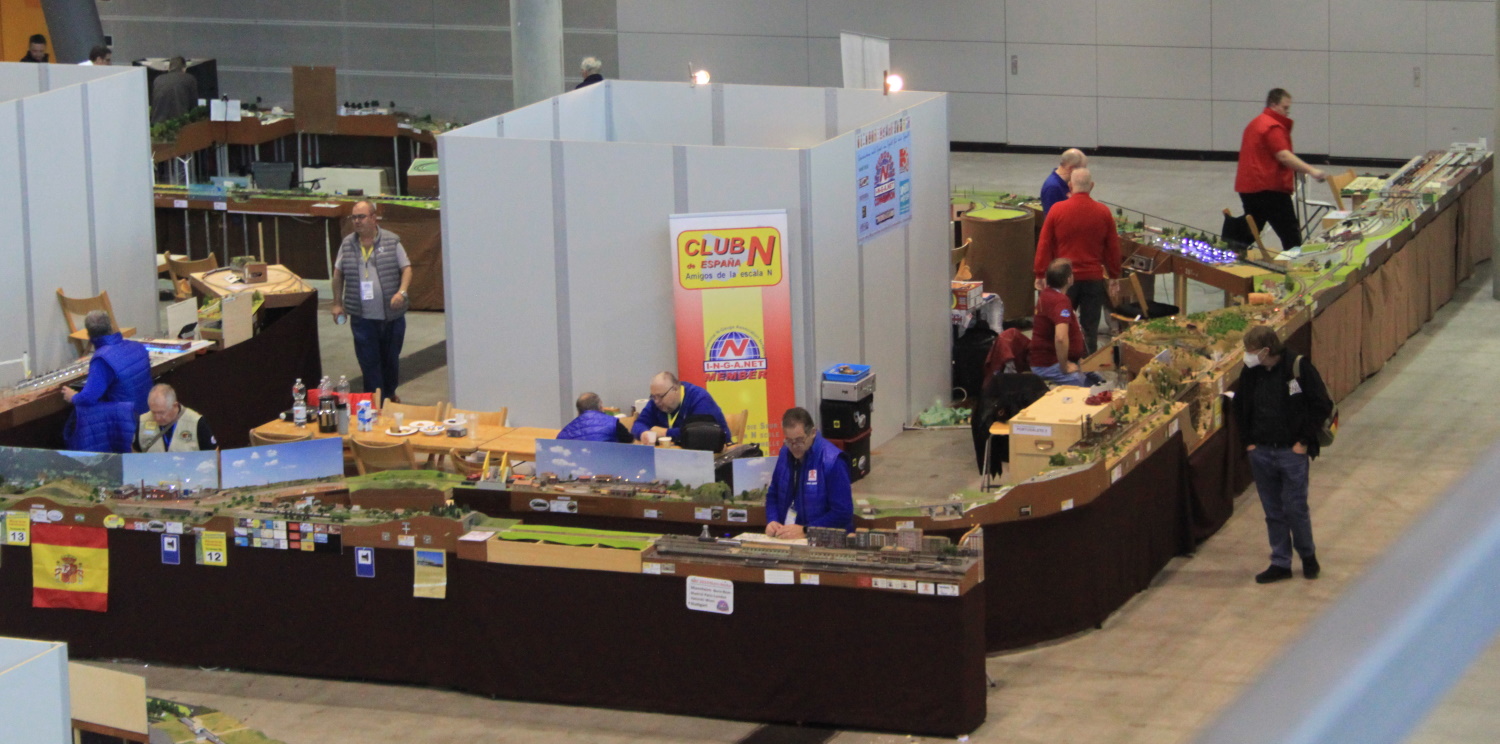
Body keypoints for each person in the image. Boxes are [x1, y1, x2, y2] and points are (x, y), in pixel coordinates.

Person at [1234, 325, 1333, 584]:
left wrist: (1304, 441)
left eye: (1251, 351)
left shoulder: (1298, 367)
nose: (1247, 355)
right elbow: (1240, 406)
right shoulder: (1251, 371)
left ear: (1266, 350)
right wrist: (1249, 443)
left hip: (1291, 452)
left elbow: (1321, 405)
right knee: (1273, 511)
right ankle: (1280, 562)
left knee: (1295, 508)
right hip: (1261, 452)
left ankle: (1308, 556)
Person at [331, 200, 412, 402]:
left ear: (374, 218)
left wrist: (401, 293)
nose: (357, 221)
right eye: (353, 217)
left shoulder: (391, 241)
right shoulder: (347, 244)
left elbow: (407, 269)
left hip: (391, 316)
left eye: (361, 217)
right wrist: (337, 303)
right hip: (362, 317)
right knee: (369, 362)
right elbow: (338, 275)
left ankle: (389, 395)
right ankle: (375, 402)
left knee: (390, 359)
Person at [1034, 167, 1121, 354]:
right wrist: (1114, 276)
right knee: (1090, 329)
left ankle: (1061, 361)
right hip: (1093, 280)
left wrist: (1040, 273)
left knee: (1061, 325)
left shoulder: (1057, 210)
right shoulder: (1104, 212)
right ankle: (1088, 362)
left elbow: (1044, 244)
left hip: (1064, 280)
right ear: (1092, 186)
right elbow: (1112, 248)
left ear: (1070, 186)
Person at [1235, 88, 1327, 251]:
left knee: (1252, 229)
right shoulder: (1272, 126)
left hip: (1249, 187)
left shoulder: (1256, 123)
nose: (1287, 112)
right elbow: (1284, 155)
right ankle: (1295, 263)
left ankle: (1229, 253)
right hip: (1268, 188)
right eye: (1285, 108)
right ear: (1273, 104)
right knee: (1290, 233)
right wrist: (1311, 170)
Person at [61, 311, 152, 453]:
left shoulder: (101, 359)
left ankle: (89, 458)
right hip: (148, 413)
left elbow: (88, 397)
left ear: (89, 335)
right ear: (111, 326)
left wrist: (73, 397)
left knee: (80, 411)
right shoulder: (138, 347)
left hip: (127, 419)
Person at [764, 407, 853, 538]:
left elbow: (842, 513)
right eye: (789, 441)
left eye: (799, 440)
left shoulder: (833, 461)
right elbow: (773, 495)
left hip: (826, 539)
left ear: (812, 433)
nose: (794, 447)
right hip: (789, 536)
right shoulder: (785, 453)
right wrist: (772, 520)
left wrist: (806, 531)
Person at [1029, 259, 1098, 388]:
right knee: (1088, 391)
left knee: (1098, 380)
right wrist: (1064, 366)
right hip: (1049, 364)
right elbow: (1060, 338)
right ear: (1069, 279)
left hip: (1046, 361)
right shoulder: (1060, 301)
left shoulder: (1046, 294)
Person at [631, 371, 731, 446]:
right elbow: (639, 424)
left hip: (714, 454)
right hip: (676, 454)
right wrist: (643, 433)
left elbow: (700, 433)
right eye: (653, 396)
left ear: (675, 389)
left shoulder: (699, 398)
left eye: (660, 396)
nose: (656, 401)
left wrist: (665, 433)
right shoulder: (656, 401)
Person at [135, 384, 216, 452]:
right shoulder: (141, 422)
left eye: (161, 413)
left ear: (175, 406)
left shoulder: (196, 423)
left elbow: (213, 455)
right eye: (153, 412)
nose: (157, 418)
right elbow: (135, 452)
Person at [557, 392, 632, 443]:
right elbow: (629, 440)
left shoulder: (565, 432)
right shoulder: (612, 423)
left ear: (578, 411)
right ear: (601, 407)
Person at [151, 56, 198, 125]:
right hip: (180, 123)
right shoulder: (189, 79)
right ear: (184, 68)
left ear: (169, 68)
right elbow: (194, 107)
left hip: (158, 124)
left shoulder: (158, 80)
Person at [1040, 148, 1086, 218]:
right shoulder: (1053, 188)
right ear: (1071, 168)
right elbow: (1052, 219)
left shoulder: (1066, 182)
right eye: (1082, 169)